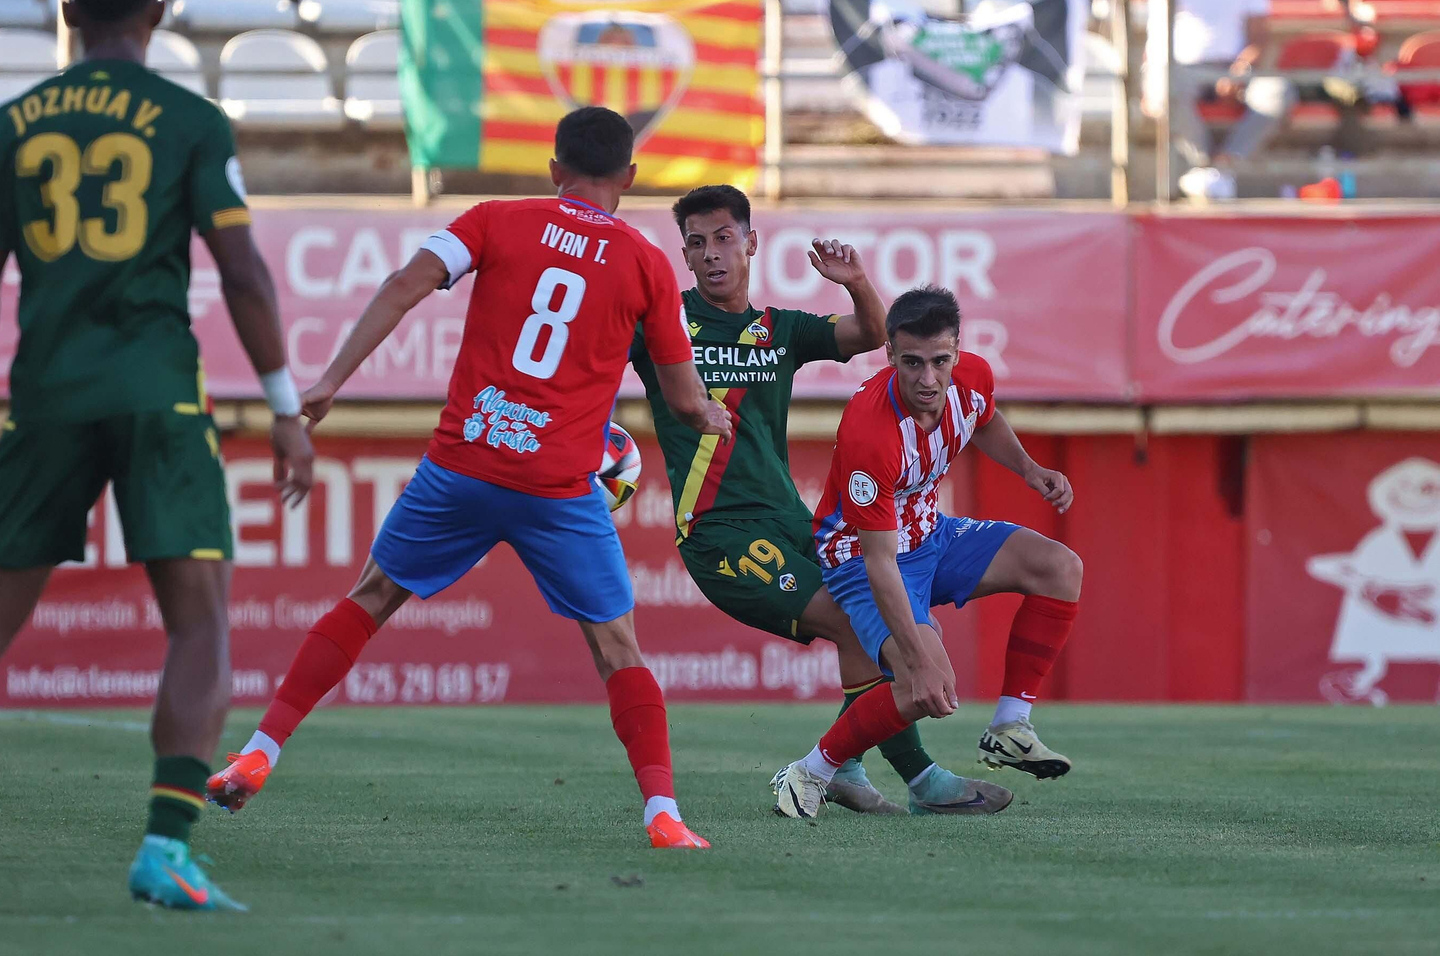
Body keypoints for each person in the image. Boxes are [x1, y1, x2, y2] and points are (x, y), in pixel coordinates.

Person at [0, 0, 316, 912]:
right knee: (199, 622)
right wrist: (286, 408)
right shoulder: (190, 119)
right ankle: (164, 848)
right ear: (158, 13)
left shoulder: (14, 123)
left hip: (46, 396)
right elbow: (242, 272)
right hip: (157, 393)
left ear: (67, 14)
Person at [206, 105, 732, 850]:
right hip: (558, 488)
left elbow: (403, 283)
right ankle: (664, 816)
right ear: (630, 179)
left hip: (464, 465)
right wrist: (710, 415)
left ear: (554, 172)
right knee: (618, 648)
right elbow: (680, 399)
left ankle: (261, 749)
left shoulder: (495, 219)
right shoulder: (646, 261)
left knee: (371, 597)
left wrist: (329, 381)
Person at [630, 185, 1011, 817]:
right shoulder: (666, 324)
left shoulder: (776, 330)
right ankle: (916, 778)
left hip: (790, 520)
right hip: (717, 533)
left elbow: (868, 331)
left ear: (751, 244)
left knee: (865, 608)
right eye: (697, 244)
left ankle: (851, 766)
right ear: (686, 257)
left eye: (725, 238)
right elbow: (590, 359)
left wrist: (857, 280)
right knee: (857, 617)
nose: (712, 254)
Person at [768, 286, 1083, 819]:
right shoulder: (872, 431)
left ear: (957, 352)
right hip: (860, 557)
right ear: (889, 354)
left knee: (1060, 567)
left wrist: (1030, 469)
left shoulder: (974, 377)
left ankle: (1010, 725)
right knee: (924, 687)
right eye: (911, 363)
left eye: (940, 361)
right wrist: (916, 658)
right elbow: (878, 560)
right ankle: (809, 772)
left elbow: (984, 419)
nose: (927, 378)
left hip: (931, 535)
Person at [1131, 0, 1295, 201]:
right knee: (1163, 89)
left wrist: (1240, 68)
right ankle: (1208, 170)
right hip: (1175, 68)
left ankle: (1220, 168)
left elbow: (1259, 37)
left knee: (1278, 93)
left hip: (1230, 68)